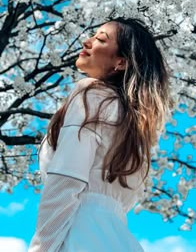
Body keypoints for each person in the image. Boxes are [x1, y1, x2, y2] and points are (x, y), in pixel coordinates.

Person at [28, 17, 172, 252]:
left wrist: (40, 249)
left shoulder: (90, 94)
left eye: (101, 39)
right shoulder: (133, 127)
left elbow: (66, 179)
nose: (87, 41)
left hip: (77, 234)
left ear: (121, 62)